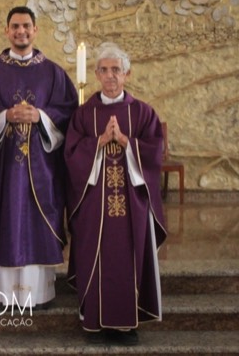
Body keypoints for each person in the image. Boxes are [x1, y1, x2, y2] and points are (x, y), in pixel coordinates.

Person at [0, 6, 78, 310]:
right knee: (5, 219)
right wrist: (5, 115)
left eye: (27, 26)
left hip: (43, 171)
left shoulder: (54, 72)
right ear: (6, 31)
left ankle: (39, 294)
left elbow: (70, 112)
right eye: (15, 26)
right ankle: (3, 292)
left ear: (35, 30)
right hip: (3, 170)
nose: (21, 31)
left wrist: (41, 116)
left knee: (39, 223)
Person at [63, 43, 167, 345]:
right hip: (94, 205)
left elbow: (155, 152)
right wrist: (98, 142)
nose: (110, 76)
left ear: (127, 74)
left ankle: (126, 325)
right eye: (105, 70)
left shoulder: (143, 112)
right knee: (93, 258)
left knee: (128, 260)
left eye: (116, 70)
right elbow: (70, 154)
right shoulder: (84, 114)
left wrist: (125, 141)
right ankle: (94, 322)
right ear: (96, 74)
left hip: (132, 205)